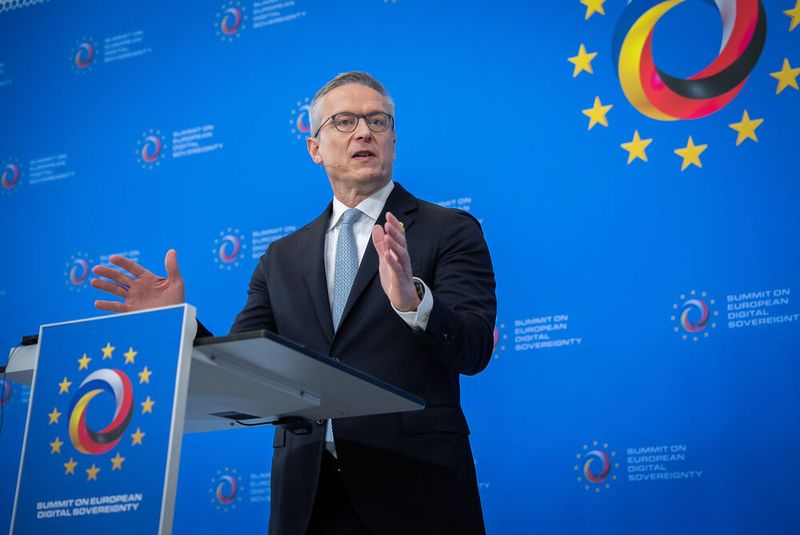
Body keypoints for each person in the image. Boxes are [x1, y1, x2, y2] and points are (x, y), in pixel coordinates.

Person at [91, 71, 496, 535]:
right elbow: (243, 365)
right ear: (315, 149)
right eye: (344, 121)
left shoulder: (449, 230)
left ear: (393, 140)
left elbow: (475, 348)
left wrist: (414, 302)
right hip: (305, 501)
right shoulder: (281, 257)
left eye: (377, 121)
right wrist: (176, 325)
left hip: (417, 493)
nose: (364, 132)